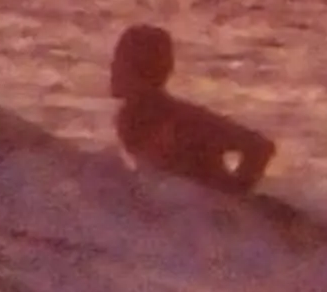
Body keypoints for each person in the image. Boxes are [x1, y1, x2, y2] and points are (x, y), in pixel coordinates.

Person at [109, 23, 277, 194]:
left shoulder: (183, 122)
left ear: (140, 69)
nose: (112, 69)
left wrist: (234, 200)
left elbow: (259, 147)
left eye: (119, 61)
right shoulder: (128, 119)